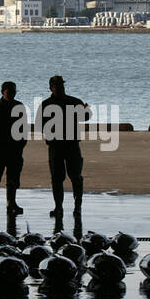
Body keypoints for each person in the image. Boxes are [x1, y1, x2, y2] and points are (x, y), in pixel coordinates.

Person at [35, 75, 91, 221]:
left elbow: (85, 118)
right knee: (56, 178)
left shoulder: (74, 101)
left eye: (61, 85)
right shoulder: (46, 105)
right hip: (55, 146)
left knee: (76, 177)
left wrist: (87, 111)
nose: (59, 88)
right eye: (56, 86)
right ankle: (58, 206)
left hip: (72, 144)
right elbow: (39, 125)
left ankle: (77, 207)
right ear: (50, 88)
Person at [0, 81, 28, 216]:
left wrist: (21, 145)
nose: (11, 93)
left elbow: (23, 129)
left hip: (14, 149)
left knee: (13, 179)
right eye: (9, 90)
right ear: (2, 91)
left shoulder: (19, 107)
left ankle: (11, 203)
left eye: (13, 90)